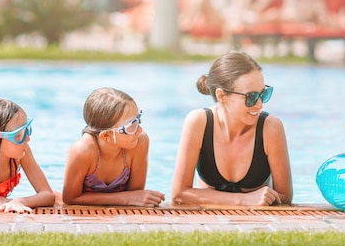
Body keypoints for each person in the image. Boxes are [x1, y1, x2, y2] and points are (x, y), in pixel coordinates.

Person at [171, 51, 293, 206]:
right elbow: (178, 194)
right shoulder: (199, 123)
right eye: (251, 97)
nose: (260, 104)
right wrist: (243, 200)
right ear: (221, 96)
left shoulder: (270, 128)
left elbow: (285, 197)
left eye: (263, 94)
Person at [62, 87, 165, 206]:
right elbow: (70, 198)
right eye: (131, 127)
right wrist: (124, 199)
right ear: (106, 136)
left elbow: (136, 195)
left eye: (138, 120)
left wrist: (129, 197)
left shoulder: (139, 142)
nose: (139, 130)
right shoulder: (82, 151)